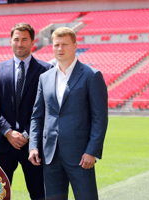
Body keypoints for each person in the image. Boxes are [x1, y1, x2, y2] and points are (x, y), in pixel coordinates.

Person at [28, 27, 108, 200]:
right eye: (56, 45)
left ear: (75, 46)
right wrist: (33, 146)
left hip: (81, 155)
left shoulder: (91, 75)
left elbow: (99, 118)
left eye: (65, 44)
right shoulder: (45, 77)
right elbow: (37, 116)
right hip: (50, 155)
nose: (60, 49)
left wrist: (92, 151)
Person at [0, 23, 52, 200]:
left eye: (24, 39)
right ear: (11, 41)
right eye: (16, 39)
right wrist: (8, 132)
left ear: (32, 41)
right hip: (3, 145)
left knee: (40, 194)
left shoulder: (46, 70)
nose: (20, 43)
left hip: (34, 147)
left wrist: (26, 133)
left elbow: (48, 108)